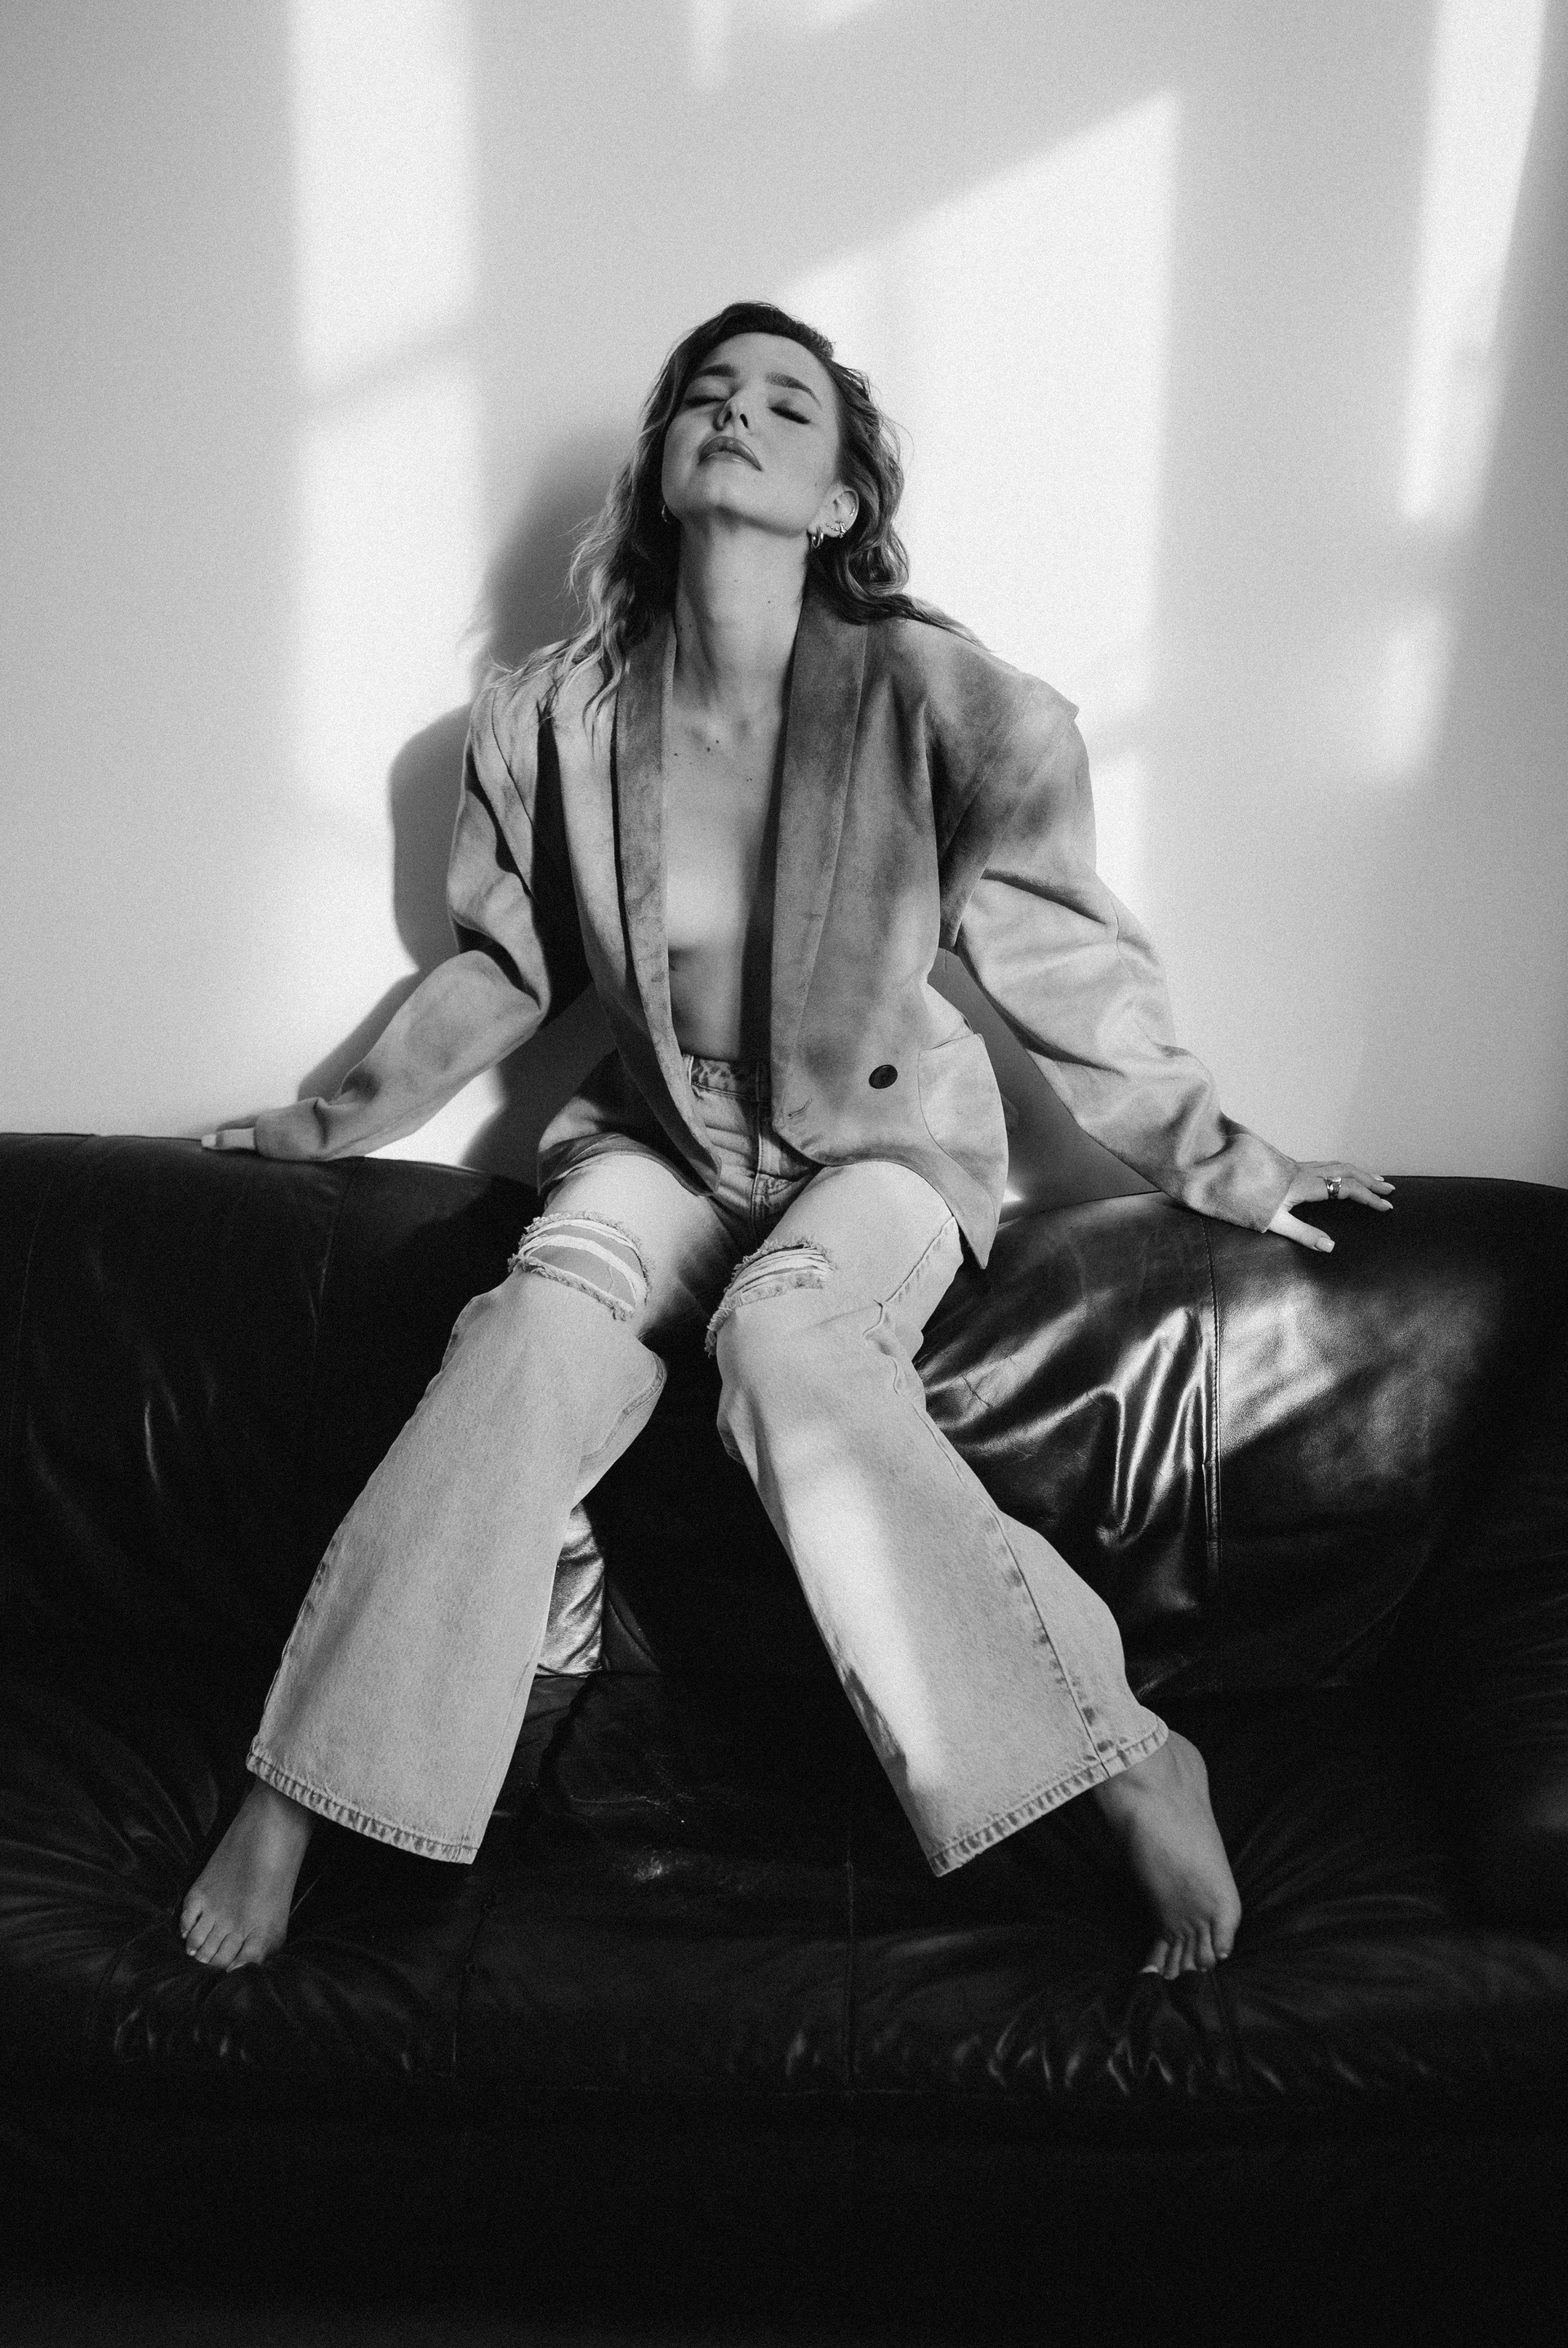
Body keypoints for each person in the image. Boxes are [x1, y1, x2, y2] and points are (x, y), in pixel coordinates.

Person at [180, 300, 1392, 1981]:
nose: (736, 413)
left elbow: (1064, 962)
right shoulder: (555, 717)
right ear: (664, 461)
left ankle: (1126, 1757)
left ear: (839, 501)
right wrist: (322, 1122)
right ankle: (302, 1793)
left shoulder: (940, 699)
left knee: (787, 1337)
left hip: (886, 1149)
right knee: (531, 1329)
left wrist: (1230, 1159)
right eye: (708, 392)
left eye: (785, 404)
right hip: (665, 1142)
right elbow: (506, 970)